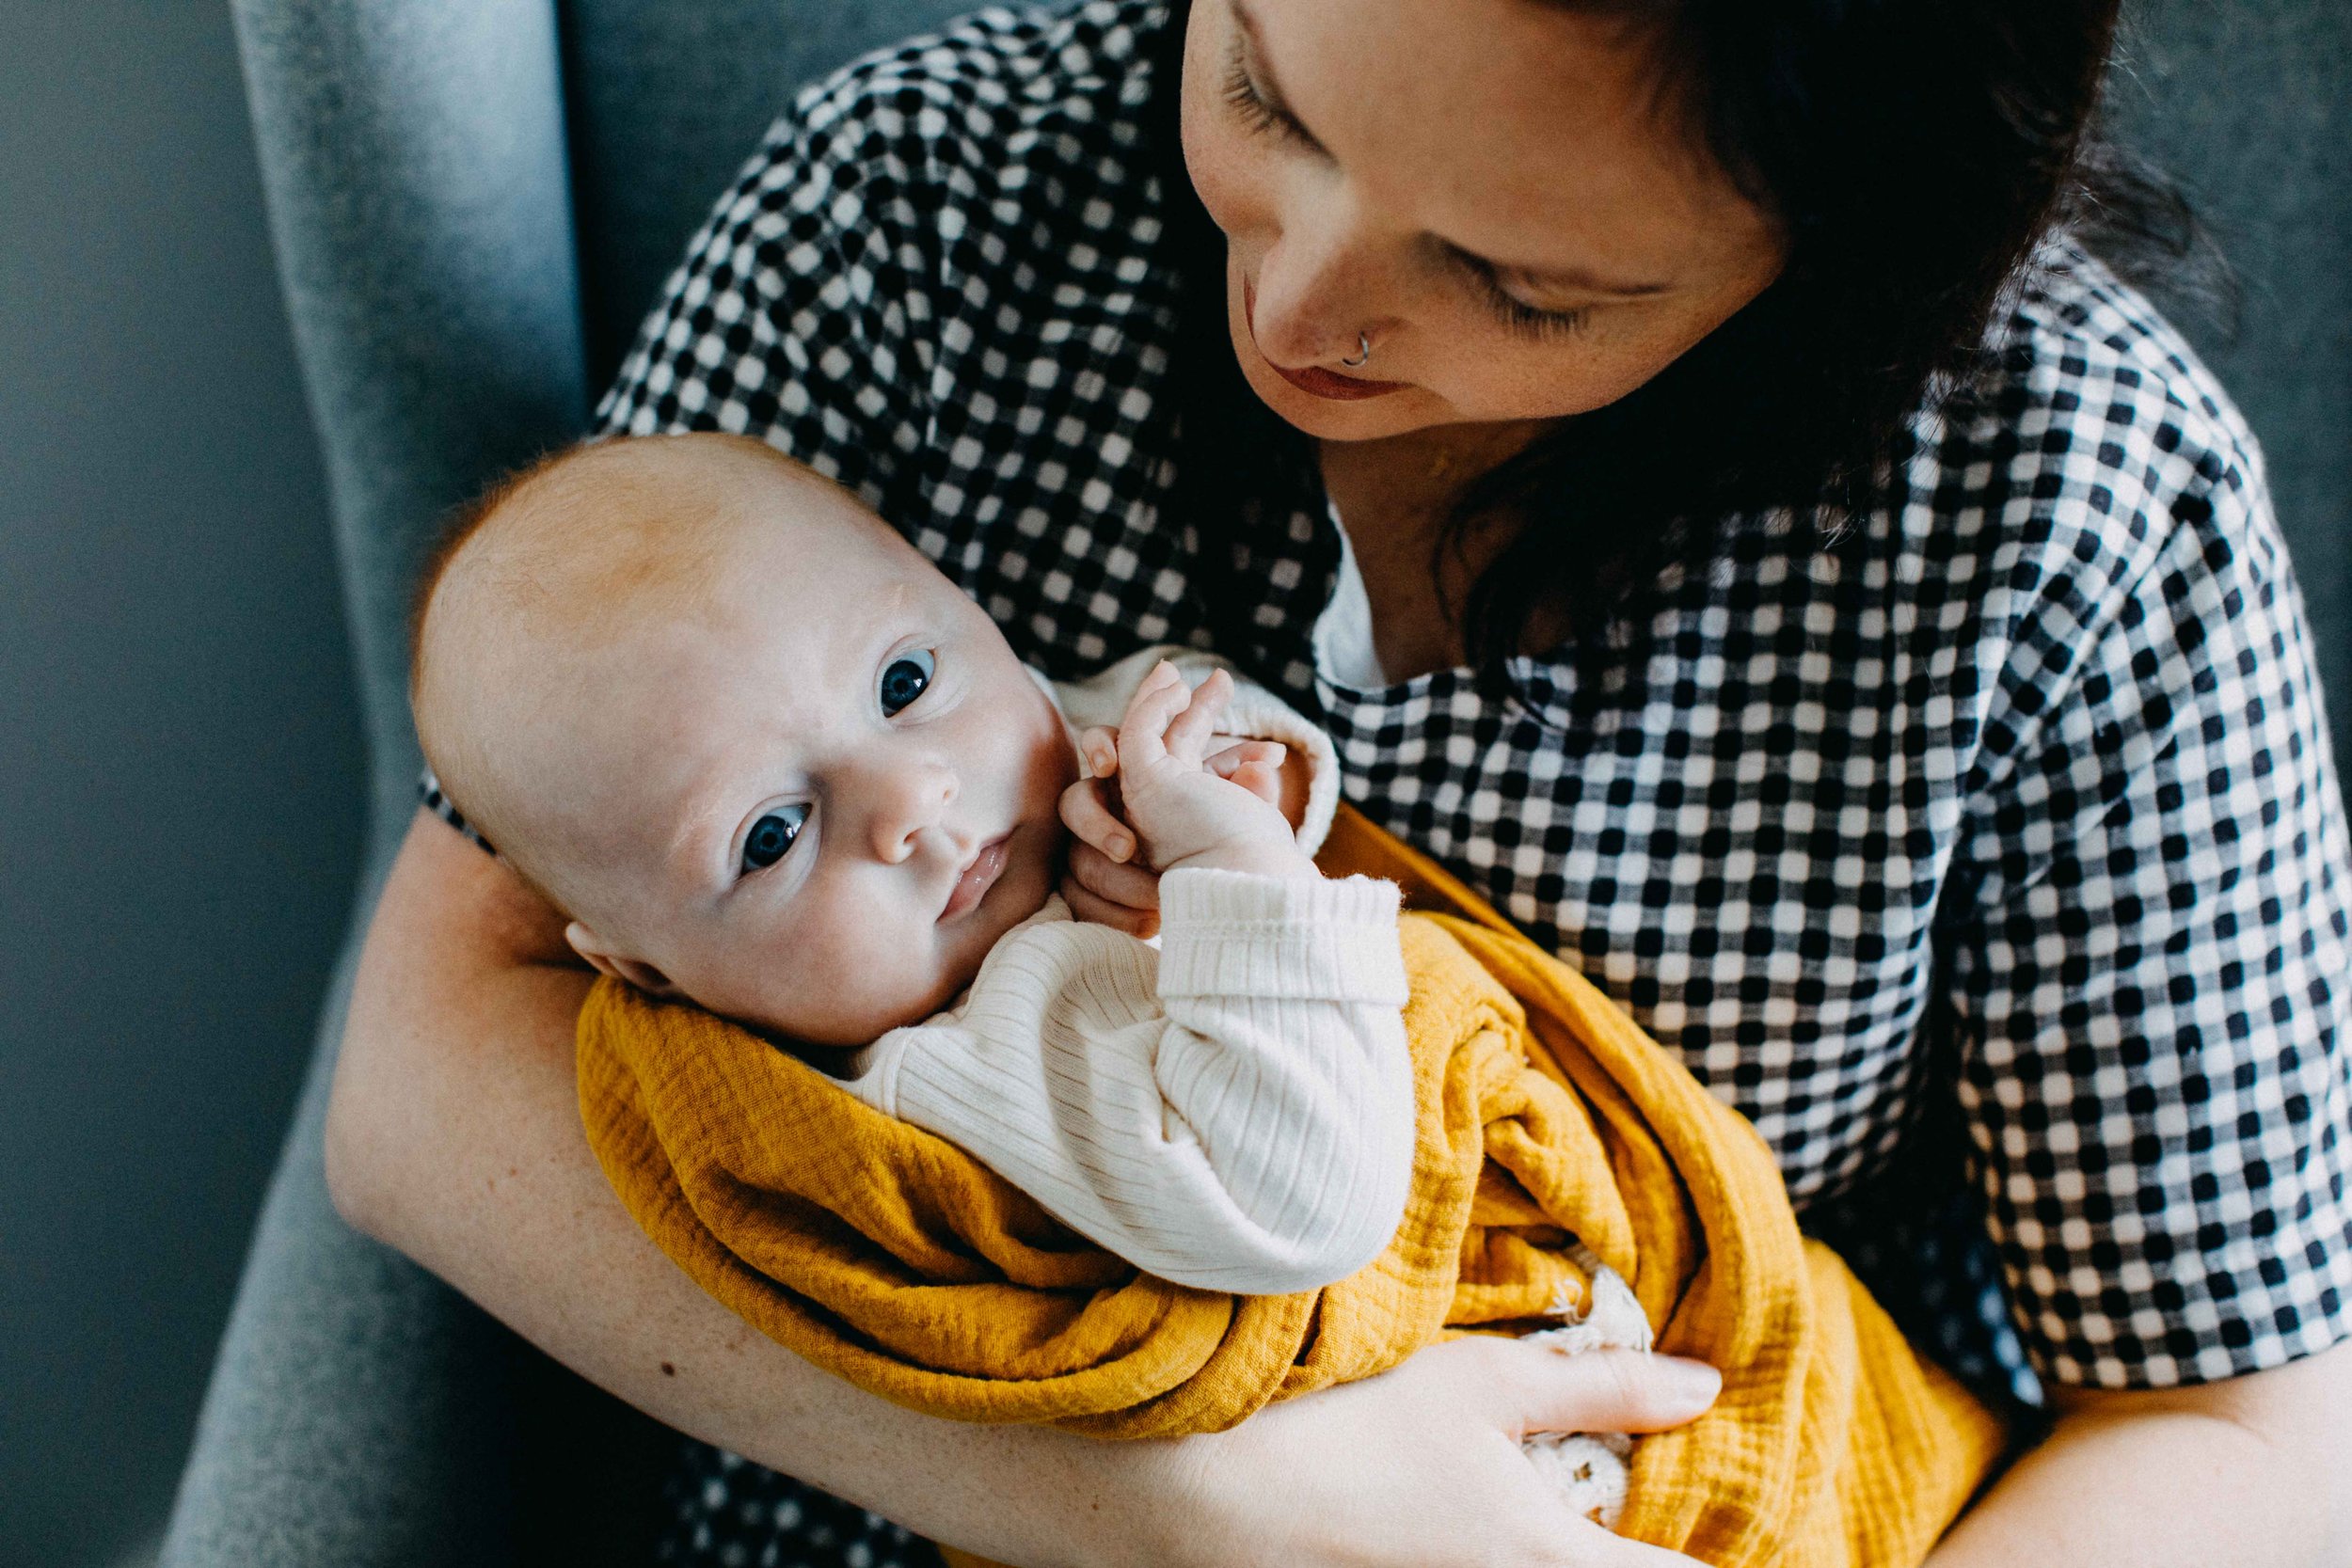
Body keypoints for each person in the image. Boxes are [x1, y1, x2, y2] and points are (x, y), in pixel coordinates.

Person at [330, 0, 2352, 1563]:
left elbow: (2243, 1426)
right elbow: (426, 1078)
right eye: (1268, 102)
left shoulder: (2067, 504)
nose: (1292, 307)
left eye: (1521, 282)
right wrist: (1200, 1501)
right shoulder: (922, 204)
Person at [409, 430, 1418, 1297]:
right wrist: (1234, 865)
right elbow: (1303, 1202)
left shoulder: (1056, 766)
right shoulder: (948, 1079)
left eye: (902, 681)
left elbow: (1176, 701)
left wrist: (1244, 782)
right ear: (653, 973)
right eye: (774, 832)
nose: (909, 800)